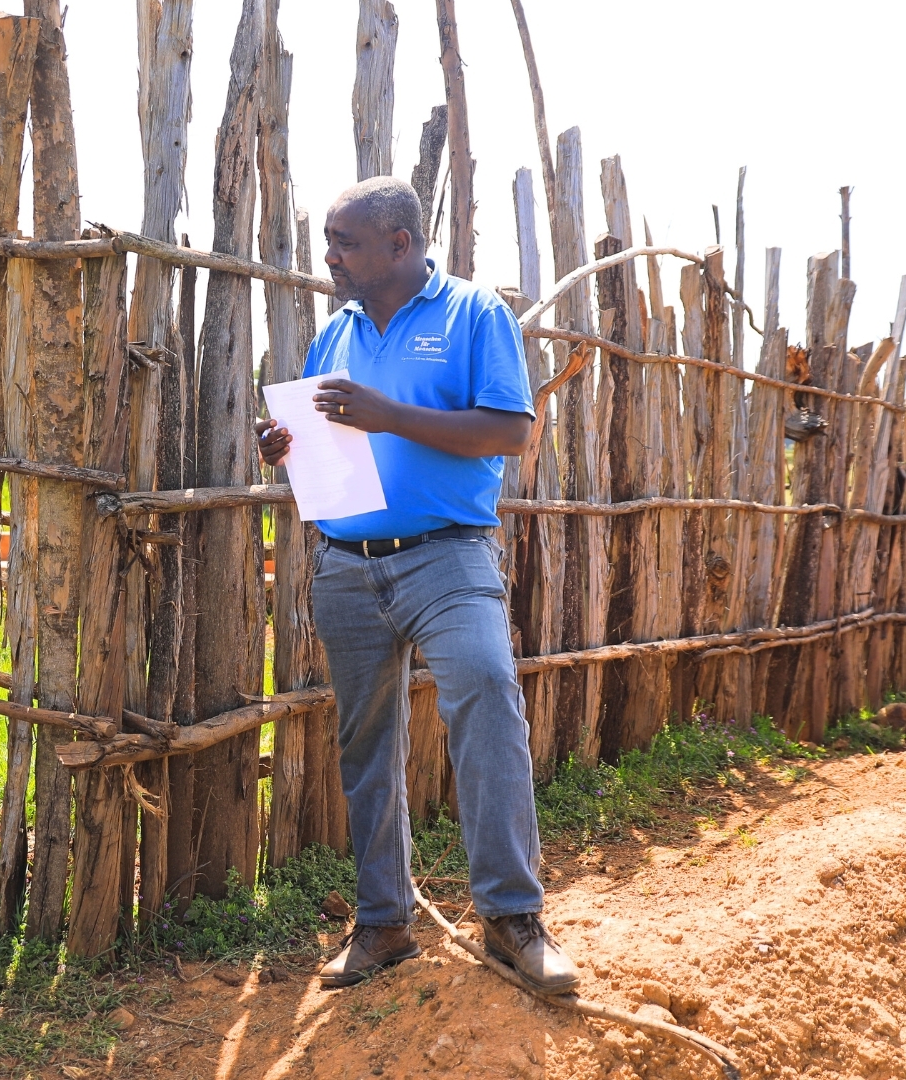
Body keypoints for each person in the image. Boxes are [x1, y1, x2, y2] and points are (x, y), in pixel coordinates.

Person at [256, 176, 582, 994]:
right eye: (330, 243)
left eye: (346, 243)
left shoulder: (473, 314)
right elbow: (328, 438)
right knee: (366, 742)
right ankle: (384, 924)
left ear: (399, 244)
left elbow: (510, 430)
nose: (331, 257)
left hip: (447, 556)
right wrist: (285, 445)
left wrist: (390, 414)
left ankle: (512, 918)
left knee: (486, 692)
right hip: (345, 564)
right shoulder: (335, 334)